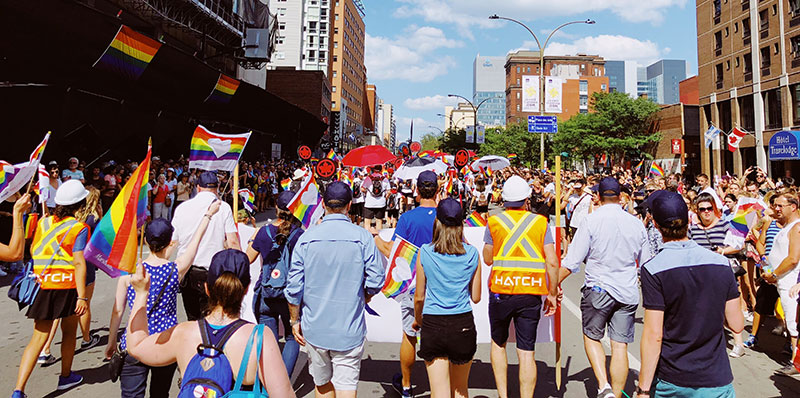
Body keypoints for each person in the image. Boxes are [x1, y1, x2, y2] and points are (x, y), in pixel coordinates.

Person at [124, 249, 295, 397]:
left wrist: (141, 294)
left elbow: (136, 347)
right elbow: (284, 394)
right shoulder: (259, 337)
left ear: (207, 288)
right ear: (245, 289)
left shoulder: (184, 333)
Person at [105, 200, 219, 398]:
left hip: (133, 340)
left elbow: (117, 311)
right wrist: (208, 215)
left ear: (147, 242)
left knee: (131, 395)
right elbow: (195, 241)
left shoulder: (131, 273)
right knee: (160, 394)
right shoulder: (174, 270)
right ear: (169, 242)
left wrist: (111, 340)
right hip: (165, 342)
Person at [636, 191, 744, 398]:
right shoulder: (721, 264)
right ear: (688, 220)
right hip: (716, 378)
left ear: (656, 226)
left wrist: (643, 389)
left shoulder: (653, 268)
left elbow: (653, 335)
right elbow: (737, 324)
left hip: (675, 378)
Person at [286, 181, 385, 398]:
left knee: (322, 385)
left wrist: (295, 321)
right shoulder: (363, 237)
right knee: (346, 386)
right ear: (349, 205)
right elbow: (377, 280)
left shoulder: (307, 238)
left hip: (315, 327)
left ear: (323, 204)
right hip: (349, 327)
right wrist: (365, 296)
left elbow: (294, 287)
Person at [560, 177, 649, 398]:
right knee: (620, 346)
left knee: (592, 337)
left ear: (598, 197)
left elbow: (571, 262)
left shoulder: (591, 221)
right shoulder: (636, 223)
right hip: (627, 291)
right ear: (620, 197)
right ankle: (616, 394)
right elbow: (646, 264)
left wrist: (551, 283)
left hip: (598, 289)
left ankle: (603, 385)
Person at [483, 175, 560, 398]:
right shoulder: (540, 222)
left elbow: (488, 259)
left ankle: (503, 396)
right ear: (527, 198)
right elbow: (552, 261)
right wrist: (552, 294)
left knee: (498, 344)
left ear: (504, 201)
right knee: (527, 352)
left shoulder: (494, 222)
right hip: (531, 291)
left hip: (501, 290)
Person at [12, 181, 91, 398]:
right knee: (68, 332)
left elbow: (33, 248)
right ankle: (65, 376)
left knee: (37, 338)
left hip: (43, 285)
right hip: (67, 286)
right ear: (80, 204)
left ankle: (18, 390)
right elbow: (79, 263)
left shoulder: (43, 223)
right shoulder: (78, 228)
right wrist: (82, 297)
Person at [374, 170, 439, 397]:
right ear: (438, 189)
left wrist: (376, 240)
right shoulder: (446, 216)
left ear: (417, 190)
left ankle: (406, 387)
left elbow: (394, 252)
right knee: (438, 338)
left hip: (413, 288)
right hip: (441, 287)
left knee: (409, 336)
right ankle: (439, 386)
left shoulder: (407, 218)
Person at [413, 198, 481, 398]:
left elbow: (419, 297)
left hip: (433, 323)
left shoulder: (425, 252)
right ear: (461, 224)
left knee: (439, 391)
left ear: (438, 222)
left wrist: (419, 319)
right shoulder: (471, 254)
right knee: (460, 389)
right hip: (462, 323)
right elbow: (476, 297)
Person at [246, 190, 304, 377]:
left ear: (277, 209)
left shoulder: (264, 232)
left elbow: (247, 259)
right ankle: (282, 385)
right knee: (291, 337)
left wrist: (252, 238)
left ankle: (268, 381)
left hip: (267, 292)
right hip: (291, 294)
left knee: (269, 341)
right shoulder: (300, 235)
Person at [168, 171, 240, 321]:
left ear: (198, 188)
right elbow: (233, 242)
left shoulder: (182, 208)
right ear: (217, 187)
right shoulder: (223, 207)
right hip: (213, 270)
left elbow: (172, 242)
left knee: (193, 318)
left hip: (188, 270)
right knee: (212, 318)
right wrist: (238, 269)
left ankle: (195, 343)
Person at [687, 192, 747, 358]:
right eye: (702, 209)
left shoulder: (725, 225)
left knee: (730, 307)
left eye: (709, 208)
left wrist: (723, 251)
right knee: (706, 308)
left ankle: (738, 342)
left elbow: (739, 245)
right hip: (702, 274)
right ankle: (710, 341)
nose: (706, 212)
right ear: (697, 211)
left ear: (715, 208)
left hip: (724, 272)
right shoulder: (693, 230)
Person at [761, 191, 800, 376]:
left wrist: (775, 274)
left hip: (791, 282)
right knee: (790, 322)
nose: (776, 209)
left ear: (793, 207)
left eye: (780, 206)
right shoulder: (787, 226)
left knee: (794, 324)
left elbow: (793, 258)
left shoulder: (797, 227)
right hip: (782, 281)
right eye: (774, 205)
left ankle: (795, 362)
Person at [362, 166, 390, 231]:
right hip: (381, 203)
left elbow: (362, 188)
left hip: (369, 203)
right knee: (379, 221)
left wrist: (368, 192)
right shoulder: (384, 179)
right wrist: (385, 198)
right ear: (381, 170)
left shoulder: (368, 178)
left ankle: (367, 237)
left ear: (373, 169)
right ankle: (378, 237)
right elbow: (389, 191)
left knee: (367, 221)